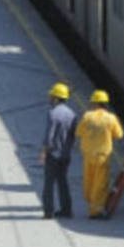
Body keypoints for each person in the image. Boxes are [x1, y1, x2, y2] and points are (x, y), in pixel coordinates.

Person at [75, 90, 124, 219]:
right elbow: (119, 135)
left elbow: (78, 132)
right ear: (105, 103)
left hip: (88, 154)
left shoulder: (87, 116)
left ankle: (90, 200)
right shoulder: (111, 118)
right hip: (102, 155)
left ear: (94, 103)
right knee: (100, 183)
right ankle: (95, 211)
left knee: (88, 180)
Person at [40, 82, 77, 219]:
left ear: (56, 98)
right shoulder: (72, 114)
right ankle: (66, 210)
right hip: (66, 154)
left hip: (53, 154)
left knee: (48, 183)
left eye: (51, 96)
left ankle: (48, 212)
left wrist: (44, 152)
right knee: (63, 182)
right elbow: (73, 135)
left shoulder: (53, 113)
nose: (50, 98)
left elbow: (49, 136)